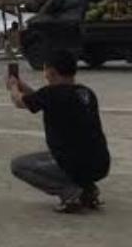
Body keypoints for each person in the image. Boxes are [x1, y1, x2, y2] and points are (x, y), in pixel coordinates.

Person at [6, 49, 110, 213]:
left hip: (74, 163)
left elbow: (20, 101)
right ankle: (87, 189)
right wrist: (21, 85)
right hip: (100, 164)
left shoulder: (51, 94)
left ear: (51, 71)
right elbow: (38, 99)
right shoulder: (85, 92)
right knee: (62, 156)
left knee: (19, 165)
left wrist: (13, 86)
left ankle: (70, 193)